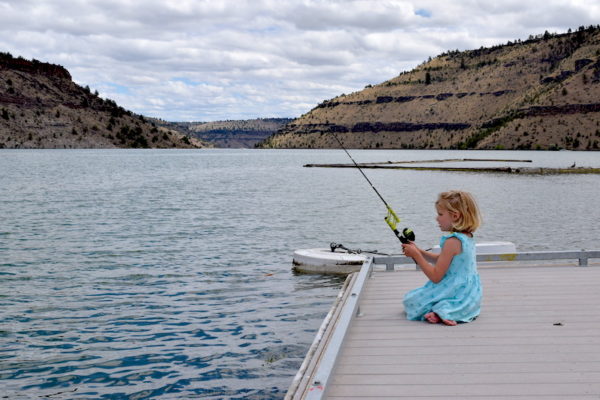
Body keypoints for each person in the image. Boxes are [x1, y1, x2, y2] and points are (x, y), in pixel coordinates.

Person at [402, 190, 482, 326]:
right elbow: (444, 260)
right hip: (469, 294)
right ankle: (446, 311)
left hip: (455, 289)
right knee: (420, 298)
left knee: (411, 300)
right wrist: (420, 251)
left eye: (440, 214)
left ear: (455, 216)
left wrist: (416, 256)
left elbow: (436, 276)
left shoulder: (452, 241)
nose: (436, 218)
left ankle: (442, 312)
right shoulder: (467, 237)